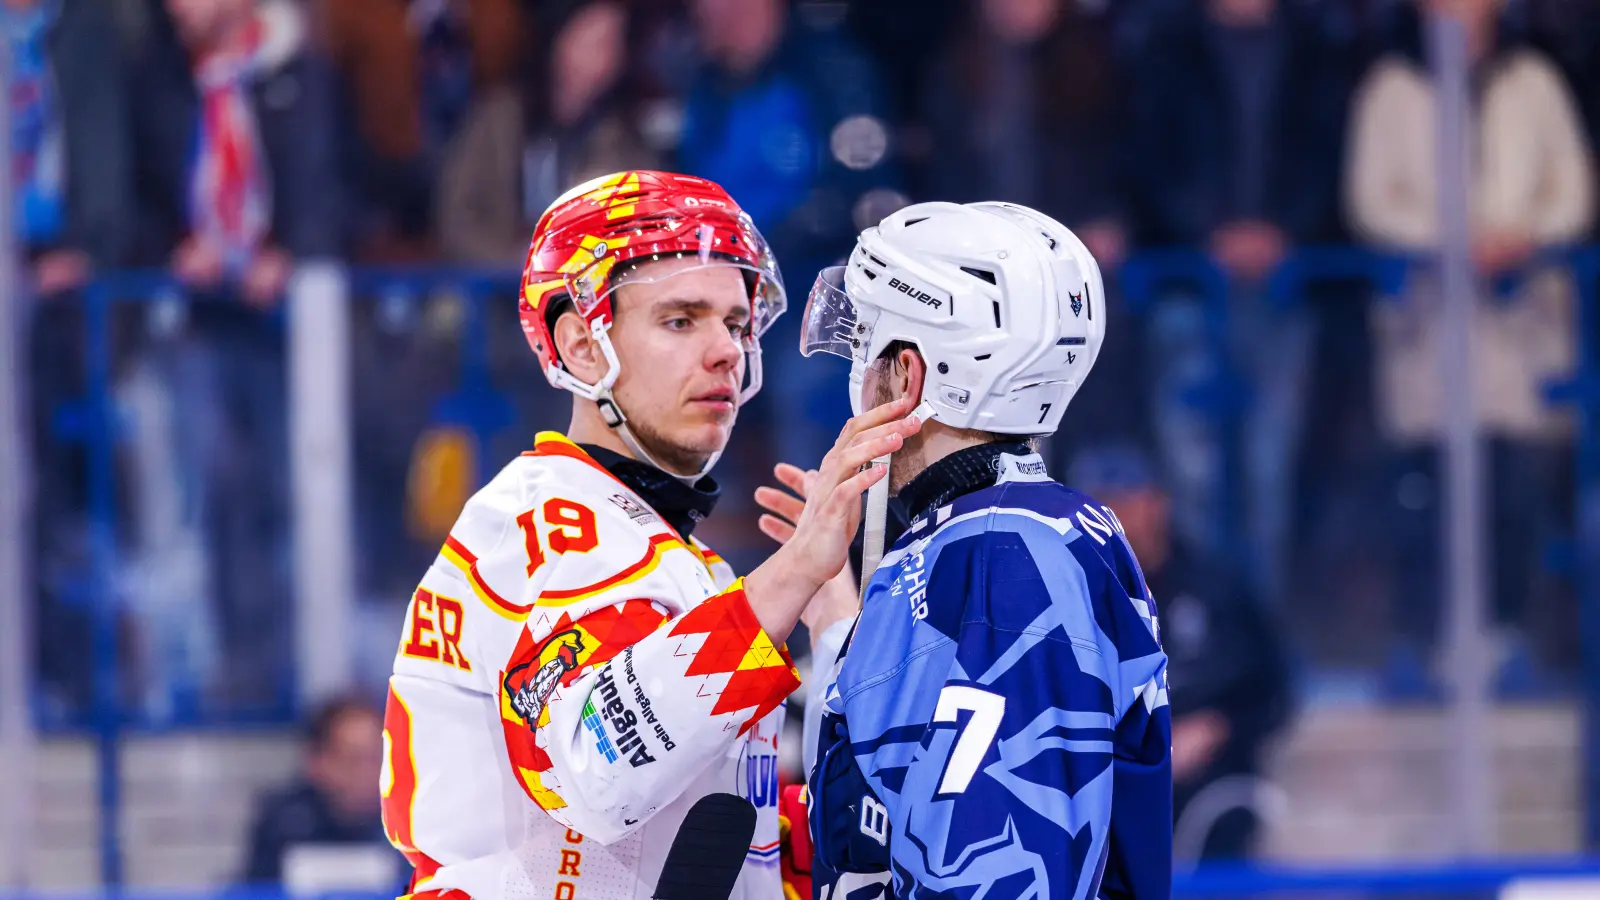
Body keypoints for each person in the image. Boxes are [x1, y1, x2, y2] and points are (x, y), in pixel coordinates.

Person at [380, 170, 920, 899]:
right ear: (580, 346)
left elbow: (753, 847)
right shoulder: (549, 523)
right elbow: (600, 768)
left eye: (735, 322)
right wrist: (791, 575)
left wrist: (836, 631)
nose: (727, 350)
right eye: (680, 319)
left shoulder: (670, 556)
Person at [763, 201, 1171, 898]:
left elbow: (999, 866)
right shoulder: (993, 537)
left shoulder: (1001, 553)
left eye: (867, 345)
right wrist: (841, 626)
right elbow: (896, 799)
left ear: (912, 376)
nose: (857, 378)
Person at [1072, 442, 1292, 862]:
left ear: (1158, 502)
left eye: (1124, 500)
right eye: (1100, 504)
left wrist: (1216, 727)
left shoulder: (1217, 588)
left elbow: (1272, 689)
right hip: (1104, 797)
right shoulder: (1069, 595)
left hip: (1211, 799)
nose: (1113, 516)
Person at [243, 695, 401, 886]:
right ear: (316, 762)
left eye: (376, 758)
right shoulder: (284, 824)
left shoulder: (413, 827)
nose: (367, 773)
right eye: (352, 760)